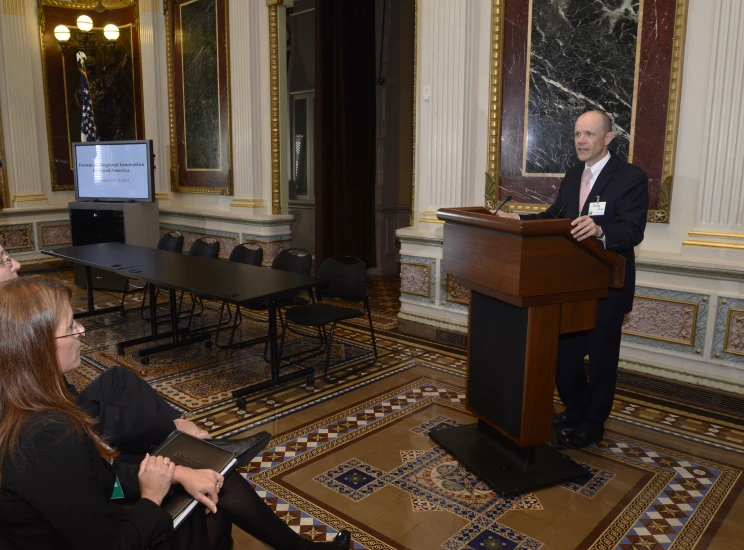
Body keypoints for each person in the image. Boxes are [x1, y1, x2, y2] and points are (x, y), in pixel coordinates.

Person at [0, 276, 351, 549]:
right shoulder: (46, 434)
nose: (82, 332)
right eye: (71, 327)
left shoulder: (25, 399)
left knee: (209, 480)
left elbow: (100, 479)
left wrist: (178, 472)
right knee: (211, 509)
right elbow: (113, 543)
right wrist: (152, 495)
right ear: (38, 349)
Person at [0, 244, 265, 464]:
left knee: (118, 378)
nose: (16, 264)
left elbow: (68, 396)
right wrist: (170, 428)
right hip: (43, 431)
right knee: (139, 435)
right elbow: (83, 413)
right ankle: (196, 449)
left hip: (49, 410)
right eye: (4, 260)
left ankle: (194, 442)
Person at [494, 110, 648, 448]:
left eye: (589, 134)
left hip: (608, 283)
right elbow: (554, 216)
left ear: (608, 138)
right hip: (570, 284)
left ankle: (593, 424)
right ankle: (576, 410)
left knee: (602, 358)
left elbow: (633, 230)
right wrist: (515, 218)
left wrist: (600, 229)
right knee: (564, 356)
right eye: (578, 134)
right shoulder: (574, 172)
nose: (581, 140)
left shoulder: (631, 177)